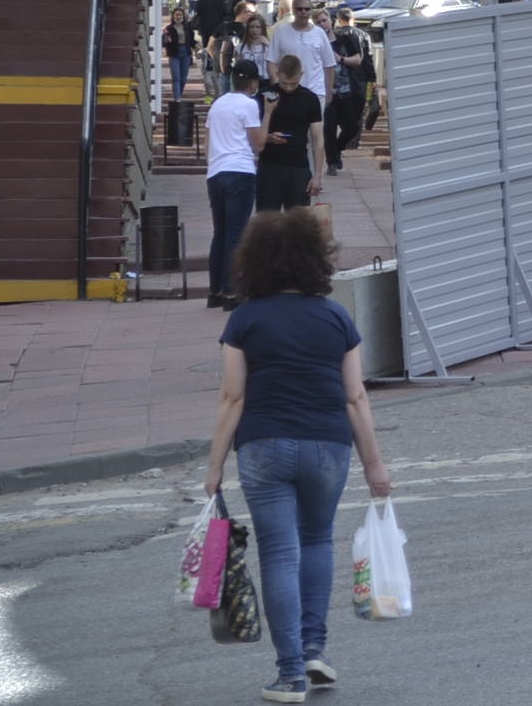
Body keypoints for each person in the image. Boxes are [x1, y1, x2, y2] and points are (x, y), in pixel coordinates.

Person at [204, 213, 394, 704]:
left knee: (280, 553)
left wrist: (214, 466)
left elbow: (232, 397)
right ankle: (315, 649)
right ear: (316, 261)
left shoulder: (245, 319)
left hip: (264, 445)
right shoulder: (336, 317)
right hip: (329, 445)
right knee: (316, 543)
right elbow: (356, 398)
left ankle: (289, 675)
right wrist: (375, 465)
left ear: (253, 262)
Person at [205, 60, 267, 308]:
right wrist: (270, 113)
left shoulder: (218, 104)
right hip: (240, 171)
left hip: (215, 172)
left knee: (219, 233)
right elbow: (259, 143)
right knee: (235, 233)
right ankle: (233, 292)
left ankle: (215, 291)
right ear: (252, 83)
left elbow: (209, 142)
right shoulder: (248, 104)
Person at [257, 55, 325, 212]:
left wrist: (317, 175)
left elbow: (317, 137)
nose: (288, 88)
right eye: (284, 83)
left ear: (301, 75)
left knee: (298, 227)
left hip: (298, 166)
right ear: (276, 73)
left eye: (293, 83)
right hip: (269, 166)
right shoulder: (265, 95)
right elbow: (252, 133)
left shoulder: (309, 98)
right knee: (267, 223)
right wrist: (268, 138)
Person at [270, 0, 339, 134]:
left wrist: (328, 90)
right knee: (293, 132)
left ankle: (317, 156)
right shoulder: (281, 32)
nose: (303, 12)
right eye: (299, 9)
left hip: (316, 91)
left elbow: (328, 65)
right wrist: (277, 85)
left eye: (307, 9)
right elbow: (271, 61)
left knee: (316, 134)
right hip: (288, 91)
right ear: (293, 10)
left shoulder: (319, 34)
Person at [325, 8, 370, 176]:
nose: (322, 24)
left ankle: (337, 149)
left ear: (332, 21)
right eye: (318, 22)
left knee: (351, 127)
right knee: (329, 130)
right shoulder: (315, 41)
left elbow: (358, 59)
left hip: (346, 91)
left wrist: (341, 59)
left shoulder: (344, 39)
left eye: (324, 20)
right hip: (327, 93)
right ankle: (332, 162)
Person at [161, 4, 195, 102]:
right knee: (176, 77)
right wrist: (166, 42)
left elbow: (191, 40)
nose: (178, 17)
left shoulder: (188, 27)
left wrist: (196, 48)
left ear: (183, 16)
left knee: (183, 77)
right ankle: (177, 98)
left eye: (180, 15)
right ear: (173, 16)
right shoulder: (169, 28)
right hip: (174, 53)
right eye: (176, 15)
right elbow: (165, 42)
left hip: (186, 52)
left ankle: (179, 95)